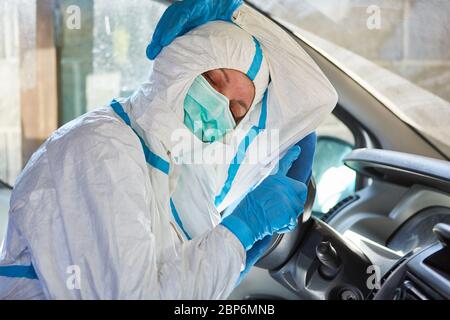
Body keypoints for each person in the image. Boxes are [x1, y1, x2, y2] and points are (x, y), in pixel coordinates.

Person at [0, 0, 337, 299]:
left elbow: (312, 101)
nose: (221, 106)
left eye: (237, 109)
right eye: (215, 79)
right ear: (181, 60)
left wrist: (235, 248)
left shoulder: (183, 173)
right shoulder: (101, 147)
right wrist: (242, 228)